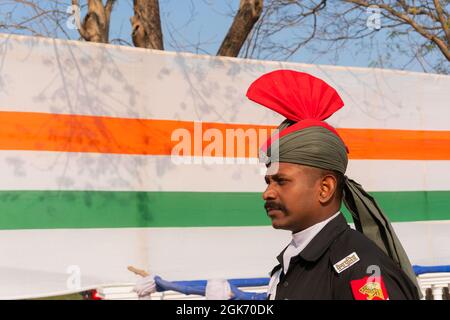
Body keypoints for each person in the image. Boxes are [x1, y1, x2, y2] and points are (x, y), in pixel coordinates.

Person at [130, 70, 421, 300]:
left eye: (281, 181)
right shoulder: (296, 261)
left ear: (325, 188)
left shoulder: (359, 270)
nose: (268, 192)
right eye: (268, 181)